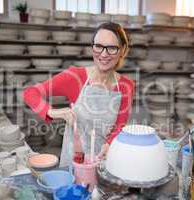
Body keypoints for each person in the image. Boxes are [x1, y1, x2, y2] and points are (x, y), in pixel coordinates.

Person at [23, 22, 135, 167]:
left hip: (105, 160)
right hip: (74, 162)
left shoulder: (127, 86)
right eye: (98, 46)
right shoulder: (75, 77)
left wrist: (109, 144)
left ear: (123, 50)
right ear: (92, 47)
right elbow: (30, 93)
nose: (104, 54)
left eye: (112, 48)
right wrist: (51, 112)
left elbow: (119, 125)